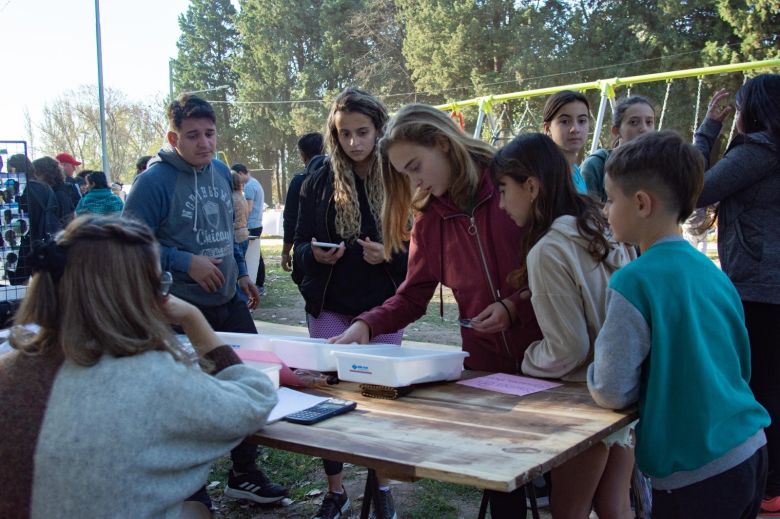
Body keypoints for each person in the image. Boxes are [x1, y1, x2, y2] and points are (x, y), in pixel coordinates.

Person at [331, 103, 542, 518]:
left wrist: (514, 307)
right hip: (485, 368)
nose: (414, 181)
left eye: (415, 166)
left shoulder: (510, 183)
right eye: (404, 174)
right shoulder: (430, 219)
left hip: (549, 355)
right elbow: (412, 296)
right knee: (501, 481)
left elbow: (557, 269)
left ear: (443, 145)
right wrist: (366, 325)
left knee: (566, 482)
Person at [0, 215, 279, 518]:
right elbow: (256, 399)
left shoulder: (8, 369)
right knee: (196, 512)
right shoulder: (150, 376)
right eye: (161, 283)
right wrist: (194, 319)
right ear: (141, 293)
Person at [587, 130, 770, 518]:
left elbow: (611, 389)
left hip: (694, 473)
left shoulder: (633, 281)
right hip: (749, 448)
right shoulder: (712, 272)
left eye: (610, 197)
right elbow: (739, 360)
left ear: (640, 203)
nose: (605, 209)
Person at [123, 94, 287, 508]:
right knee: (185, 401)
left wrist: (243, 273)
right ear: (173, 137)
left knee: (247, 380)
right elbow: (126, 247)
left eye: (210, 133)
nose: (204, 143)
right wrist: (183, 261)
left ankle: (244, 473)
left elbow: (224, 232)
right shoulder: (153, 182)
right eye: (193, 136)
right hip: (175, 309)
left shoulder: (218, 172)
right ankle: (189, 492)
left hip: (228, 299)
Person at [491, 132, 636, 518]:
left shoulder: (549, 249)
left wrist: (527, 362)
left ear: (532, 186)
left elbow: (568, 348)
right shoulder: (598, 226)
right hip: (622, 389)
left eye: (504, 190)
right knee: (614, 506)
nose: (502, 204)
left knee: (568, 509)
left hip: (581, 399)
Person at [294, 88, 408, 519]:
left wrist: (389, 254)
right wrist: (314, 254)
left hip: (384, 307)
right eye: (345, 134)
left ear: (380, 129)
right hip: (330, 303)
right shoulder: (319, 176)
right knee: (329, 395)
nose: (355, 142)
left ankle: (382, 485)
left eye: (363, 132)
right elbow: (300, 243)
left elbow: (421, 248)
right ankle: (336, 490)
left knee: (380, 398)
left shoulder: (399, 173)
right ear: (334, 135)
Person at [692, 74, 780, 515]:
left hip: (760, 287)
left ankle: (764, 485)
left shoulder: (759, 152)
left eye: (742, 108)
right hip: (768, 285)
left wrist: (708, 129)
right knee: (772, 384)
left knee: (757, 388)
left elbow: (695, 187)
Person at [581, 96, 656, 202]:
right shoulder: (596, 165)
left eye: (649, 122)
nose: (644, 128)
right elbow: (585, 212)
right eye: (634, 122)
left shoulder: (660, 167)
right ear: (616, 131)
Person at [8, 155, 61, 285]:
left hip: (21, 245)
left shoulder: (15, 192)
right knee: (44, 283)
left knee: (20, 287)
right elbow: (55, 212)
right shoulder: (46, 188)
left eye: (10, 171)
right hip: (44, 242)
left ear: (16, 170)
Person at [282, 132, 324, 281]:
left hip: (307, 250)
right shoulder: (342, 178)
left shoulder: (299, 181)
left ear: (302, 154)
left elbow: (290, 220)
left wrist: (285, 252)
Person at [542, 90, 591, 194]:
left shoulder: (575, 170)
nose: (575, 129)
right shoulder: (547, 176)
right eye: (565, 121)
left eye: (582, 121)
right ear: (547, 128)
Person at [235, 163, 267, 295]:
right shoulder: (255, 183)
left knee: (251, 257)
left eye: (237, 176)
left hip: (251, 225)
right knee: (256, 256)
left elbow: (247, 209)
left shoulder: (249, 186)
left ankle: (256, 283)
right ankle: (259, 283)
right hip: (256, 223)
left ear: (241, 173)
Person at [33, 156, 75, 227]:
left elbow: (66, 221)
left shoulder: (60, 193)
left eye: (36, 174)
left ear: (45, 174)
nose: (35, 178)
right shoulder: (54, 191)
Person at [232, 170, 250, 256]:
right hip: (244, 234)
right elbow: (247, 215)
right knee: (242, 262)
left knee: (240, 265)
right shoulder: (242, 196)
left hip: (236, 236)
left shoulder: (231, 197)